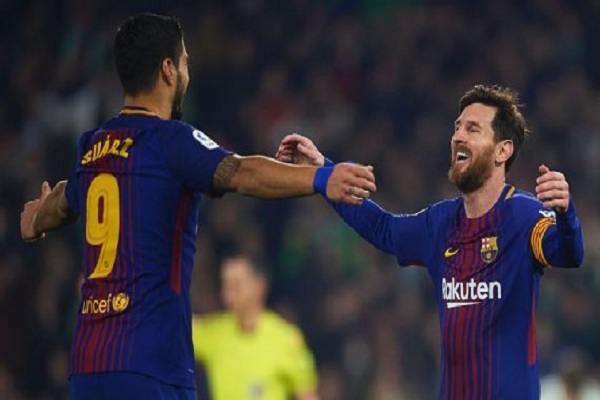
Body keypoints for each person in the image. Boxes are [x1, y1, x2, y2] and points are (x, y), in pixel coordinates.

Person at [18, 13, 376, 400]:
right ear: (168, 70)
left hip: (88, 366)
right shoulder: (171, 140)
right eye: (185, 62)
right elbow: (241, 173)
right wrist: (322, 179)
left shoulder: (94, 148)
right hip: (149, 363)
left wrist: (35, 219)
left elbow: (63, 203)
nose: (187, 72)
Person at [275, 85, 584, 400]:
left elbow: (569, 253)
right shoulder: (441, 222)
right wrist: (325, 174)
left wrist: (566, 214)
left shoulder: (524, 215)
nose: (458, 136)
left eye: (472, 129)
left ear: (502, 151)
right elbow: (384, 229)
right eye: (457, 128)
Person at [192, 254, 319, 400]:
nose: (227, 293)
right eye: (225, 285)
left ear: (259, 287)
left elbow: (306, 394)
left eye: (236, 285)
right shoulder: (214, 333)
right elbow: (176, 328)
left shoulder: (286, 340)